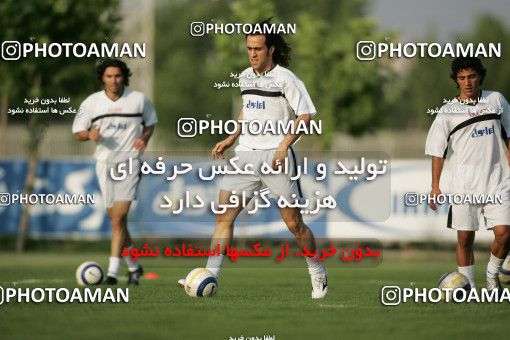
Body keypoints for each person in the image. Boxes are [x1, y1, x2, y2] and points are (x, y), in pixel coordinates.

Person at [179, 20, 328, 299]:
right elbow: (247, 112)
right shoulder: (245, 76)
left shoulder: (287, 79)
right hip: (245, 156)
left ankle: (317, 271)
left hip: (276, 157)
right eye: (249, 48)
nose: (252, 54)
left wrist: (285, 145)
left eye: (258, 49)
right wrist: (231, 137)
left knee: (294, 224)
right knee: (224, 217)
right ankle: (210, 275)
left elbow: (305, 115)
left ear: (271, 49)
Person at [425, 56, 510, 291]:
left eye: (472, 76)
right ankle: (469, 287)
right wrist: (435, 186)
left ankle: (492, 275)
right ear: (456, 81)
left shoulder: (496, 100)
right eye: (462, 78)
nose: (468, 82)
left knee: (504, 234)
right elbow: (437, 151)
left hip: (498, 181)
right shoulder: (447, 111)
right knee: (464, 239)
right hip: (464, 185)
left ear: (479, 76)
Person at [72, 58, 158, 285]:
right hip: (104, 163)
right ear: (102, 78)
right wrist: (89, 135)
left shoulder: (138, 100)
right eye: (109, 76)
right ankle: (134, 266)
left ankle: (112, 271)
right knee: (116, 219)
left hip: (130, 162)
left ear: (124, 77)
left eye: (117, 76)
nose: (113, 80)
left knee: (118, 217)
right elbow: (78, 132)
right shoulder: (91, 103)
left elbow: (150, 123)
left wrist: (144, 139)